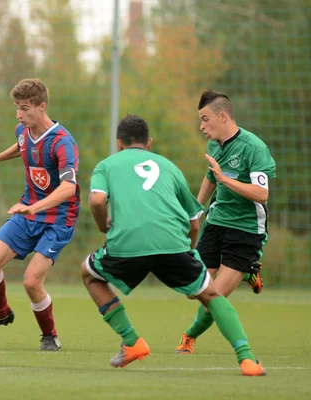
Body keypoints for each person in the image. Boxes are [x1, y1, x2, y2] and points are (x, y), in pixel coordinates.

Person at [81, 115, 266, 376]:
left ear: (119, 143)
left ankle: (131, 341)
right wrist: (190, 251)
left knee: (89, 275)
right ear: (150, 143)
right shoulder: (168, 167)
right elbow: (193, 222)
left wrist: (103, 227)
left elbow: (97, 201)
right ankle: (247, 359)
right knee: (211, 295)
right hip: (173, 245)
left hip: (126, 246)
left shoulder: (106, 165)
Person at [0, 78, 80, 351]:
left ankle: (49, 336)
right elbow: (20, 146)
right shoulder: (22, 130)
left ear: (42, 107)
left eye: (25, 108)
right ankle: (1, 313)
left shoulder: (63, 143)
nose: (19, 114)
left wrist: (35, 207)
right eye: (17, 108)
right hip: (27, 212)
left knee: (31, 282)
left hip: (57, 219)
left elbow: (68, 188)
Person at [176, 90, 276, 354]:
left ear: (222, 116)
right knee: (191, 288)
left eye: (205, 119)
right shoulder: (214, 145)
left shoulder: (254, 148)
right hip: (216, 223)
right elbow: (210, 178)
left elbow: (262, 194)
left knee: (213, 299)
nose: (201, 126)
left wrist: (226, 180)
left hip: (245, 231)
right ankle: (249, 271)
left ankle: (189, 336)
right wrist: (195, 211)